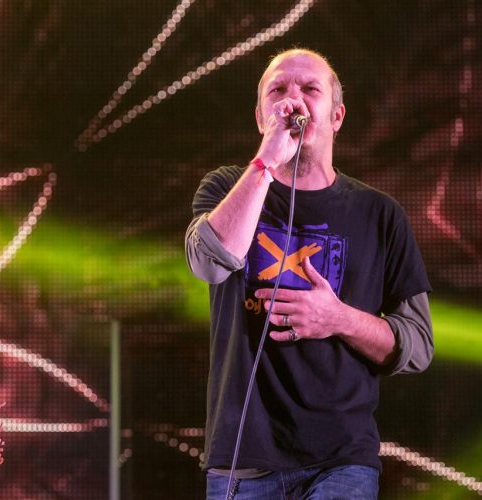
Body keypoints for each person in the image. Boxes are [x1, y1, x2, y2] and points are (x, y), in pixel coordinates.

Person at [185, 48, 433, 499]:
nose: (292, 100)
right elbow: (210, 261)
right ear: (260, 117)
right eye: (277, 90)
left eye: (309, 89)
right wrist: (265, 162)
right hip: (243, 464)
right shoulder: (225, 188)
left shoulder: (379, 215)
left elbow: (417, 346)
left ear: (337, 116)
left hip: (341, 462)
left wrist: (338, 318)